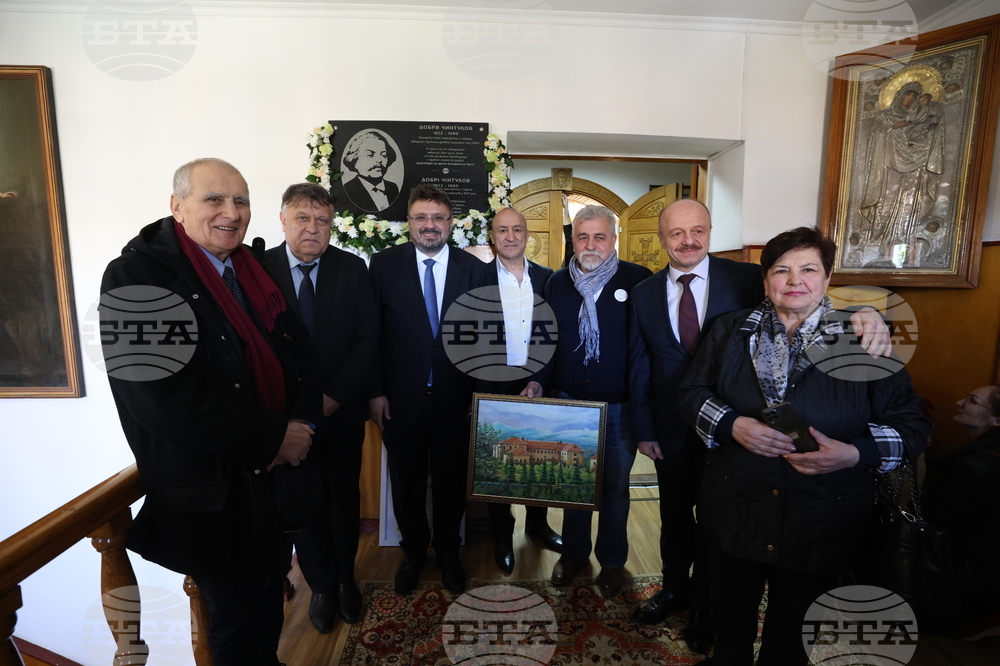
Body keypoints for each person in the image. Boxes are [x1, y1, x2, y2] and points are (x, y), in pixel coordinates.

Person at [629, 201, 891, 652]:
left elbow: (808, 295)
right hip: (680, 427)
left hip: (766, 460)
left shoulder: (747, 276)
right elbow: (638, 363)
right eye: (676, 233)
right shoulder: (644, 292)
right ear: (661, 238)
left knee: (726, 541)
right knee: (680, 520)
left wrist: (867, 311)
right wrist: (645, 426)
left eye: (697, 230)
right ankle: (676, 590)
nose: (687, 240)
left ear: (711, 232)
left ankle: (705, 612)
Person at [101, 158, 322, 665]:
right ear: (177, 206)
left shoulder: (248, 269)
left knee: (266, 608)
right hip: (212, 493)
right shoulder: (136, 275)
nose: (231, 212)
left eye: (241, 200)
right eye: (214, 199)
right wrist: (272, 436)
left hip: (267, 484)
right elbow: (157, 398)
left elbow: (302, 357)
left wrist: (302, 428)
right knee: (235, 628)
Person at [677, 226, 931, 665]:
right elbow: (691, 393)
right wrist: (732, 423)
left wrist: (855, 454)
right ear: (765, 280)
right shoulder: (730, 330)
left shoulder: (866, 339)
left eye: (808, 269)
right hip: (736, 507)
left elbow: (913, 424)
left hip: (822, 517)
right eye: (782, 270)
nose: (795, 280)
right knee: (729, 620)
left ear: (828, 278)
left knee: (794, 632)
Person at [262, 183, 378, 633]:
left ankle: (346, 580)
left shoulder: (352, 269)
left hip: (341, 412)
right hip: (287, 421)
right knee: (304, 506)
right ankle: (322, 587)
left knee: (344, 500)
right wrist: (297, 410)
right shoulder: (257, 269)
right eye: (303, 219)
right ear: (284, 219)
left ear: (333, 225)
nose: (313, 229)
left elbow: (367, 339)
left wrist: (335, 396)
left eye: (323, 221)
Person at [369, 184, 487, 595]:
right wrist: (376, 391)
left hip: (456, 400)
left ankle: (450, 554)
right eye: (421, 217)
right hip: (400, 401)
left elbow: (483, 336)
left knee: (453, 483)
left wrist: (479, 394)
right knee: (407, 483)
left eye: (438, 218)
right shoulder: (383, 266)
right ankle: (413, 553)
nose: (429, 225)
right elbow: (373, 335)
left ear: (451, 223)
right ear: (409, 224)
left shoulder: (474, 269)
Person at [542, 204, 652, 597]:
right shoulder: (556, 283)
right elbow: (545, 342)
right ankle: (573, 555)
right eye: (582, 237)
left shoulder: (638, 280)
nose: (590, 245)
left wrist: (645, 415)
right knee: (574, 484)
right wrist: (539, 386)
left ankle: (612, 562)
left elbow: (644, 352)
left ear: (614, 239)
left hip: (620, 407)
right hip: (570, 404)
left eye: (599, 236)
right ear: (573, 241)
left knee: (614, 488)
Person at [476, 207, 562, 574]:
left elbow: (555, 335)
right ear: (492, 237)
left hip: (539, 383)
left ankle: (538, 525)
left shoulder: (550, 280)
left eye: (517, 230)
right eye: (502, 230)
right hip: (492, 383)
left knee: (536, 457)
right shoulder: (474, 277)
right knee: (499, 464)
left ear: (528, 236)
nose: (510, 236)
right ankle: (501, 534)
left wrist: (540, 378)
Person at [922, 384, 1000, 641]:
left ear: (995, 420)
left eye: (972, 401)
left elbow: (933, 514)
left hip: (971, 579)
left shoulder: (980, 465)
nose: (959, 402)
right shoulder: (983, 455)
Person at [342, 130, 399, 213]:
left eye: (383, 155)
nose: (379, 160)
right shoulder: (348, 189)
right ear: (354, 160)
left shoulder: (393, 188)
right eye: (370, 155)